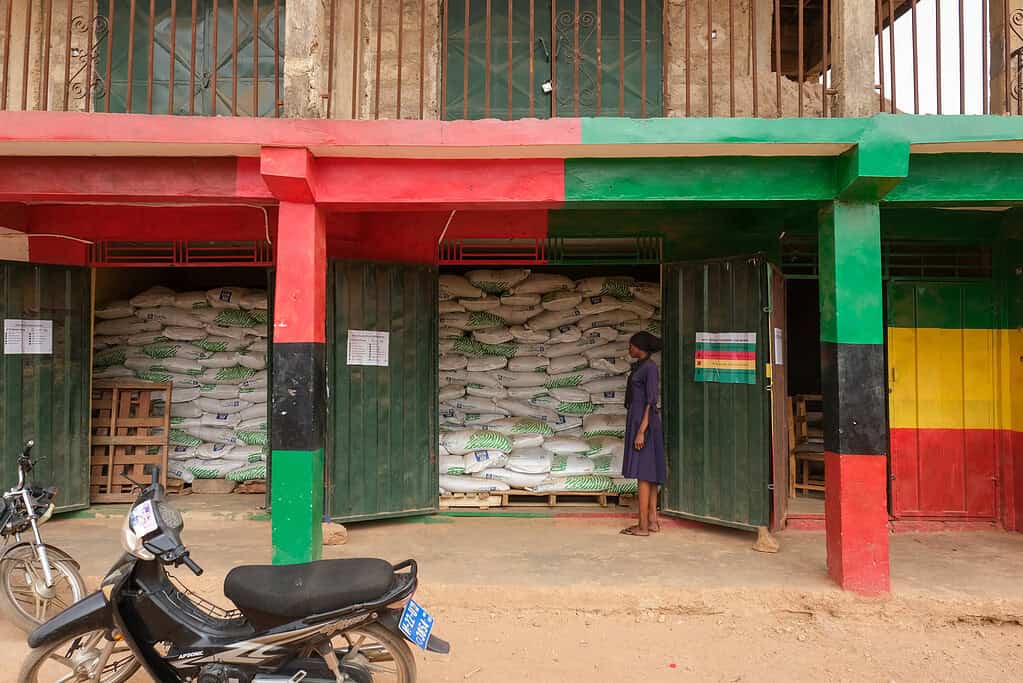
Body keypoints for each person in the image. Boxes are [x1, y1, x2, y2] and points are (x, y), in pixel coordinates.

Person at [620, 331, 666, 537]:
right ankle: (653, 522)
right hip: (638, 419)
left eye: (632, 346)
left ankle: (643, 526)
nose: (629, 349)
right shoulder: (641, 366)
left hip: (644, 423)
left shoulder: (650, 368)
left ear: (640, 347)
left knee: (643, 475)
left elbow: (651, 401)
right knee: (650, 474)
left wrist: (641, 431)